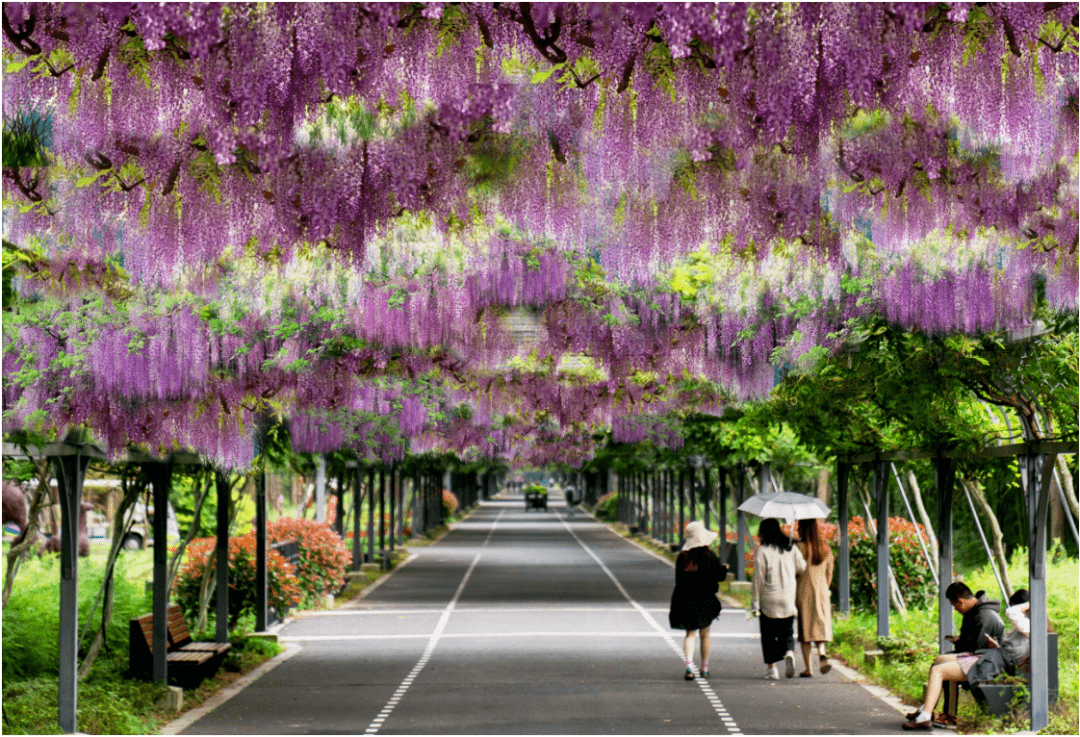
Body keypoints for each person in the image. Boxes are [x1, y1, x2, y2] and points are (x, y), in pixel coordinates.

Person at [901, 582, 1006, 730]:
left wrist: (961, 642)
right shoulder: (975, 612)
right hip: (979, 657)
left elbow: (976, 647)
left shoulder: (984, 616)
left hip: (987, 663)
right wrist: (962, 641)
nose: (956, 610)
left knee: (940, 670)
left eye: (955, 607)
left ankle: (925, 716)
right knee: (939, 660)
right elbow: (974, 645)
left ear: (961, 602)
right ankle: (935, 711)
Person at [669, 521, 728, 680]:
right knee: (705, 634)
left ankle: (689, 666)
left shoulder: (682, 557)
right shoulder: (709, 556)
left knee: (690, 634)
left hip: (686, 599)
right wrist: (724, 569)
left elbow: (678, 580)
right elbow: (719, 576)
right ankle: (704, 668)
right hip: (706, 599)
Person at [751, 518, 806, 679]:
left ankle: (772, 669)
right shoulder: (790, 547)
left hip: (769, 600)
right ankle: (789, 652)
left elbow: (757, 580)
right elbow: (802, 567)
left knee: (768, 635)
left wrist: (754, 604)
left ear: (763, 532)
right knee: (787, 632)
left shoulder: (763, 551)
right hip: (788, 597)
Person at [795, 518, 834, 677]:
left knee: (805, 630)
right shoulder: (825, 548)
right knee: (819, 623)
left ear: (803, 529)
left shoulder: (799, 548)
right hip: (822, 590)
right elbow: (829, 573)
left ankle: (808, 668)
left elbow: (794, 571)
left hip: (803, 590)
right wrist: (825, 587)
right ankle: (822, 652)